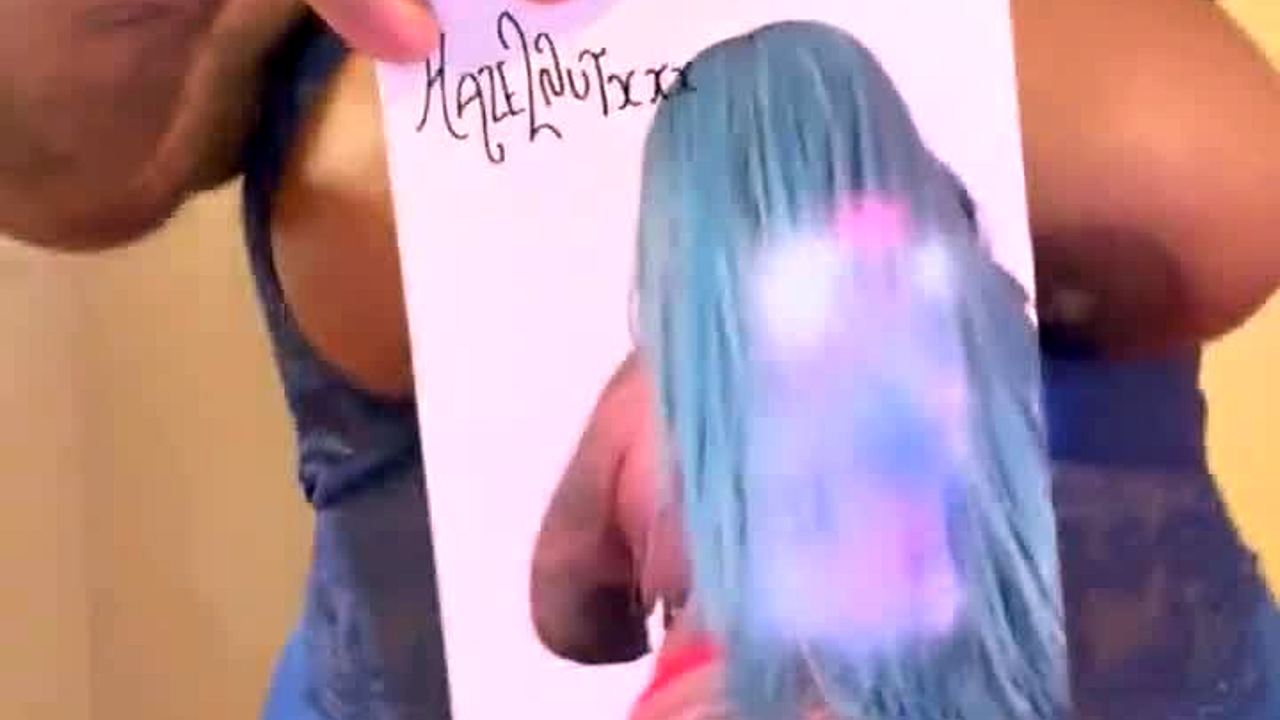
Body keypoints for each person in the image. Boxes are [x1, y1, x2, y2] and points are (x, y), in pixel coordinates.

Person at [2, 0, 1278, 718]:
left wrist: (663, 604)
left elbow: (564, 603)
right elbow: (53, 142)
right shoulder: (958, 315)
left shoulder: (643, 404)